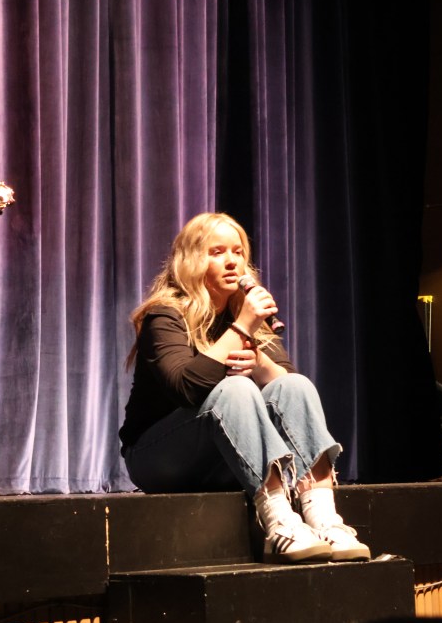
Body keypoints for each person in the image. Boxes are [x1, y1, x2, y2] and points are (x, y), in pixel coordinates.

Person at [119, 212, 370, 563]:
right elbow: (185, 389)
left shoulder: (245, 313)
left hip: (223, 459)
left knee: (294, 385)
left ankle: (324, 518)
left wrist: (260, 363)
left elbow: (289, 394)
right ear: (191, 260)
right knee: (235, 389)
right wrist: (240, 329)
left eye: (238, 252)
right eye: (217, 252)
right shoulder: (165, 315)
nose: (232, 261)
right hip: (159, 458)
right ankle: (280, 523)